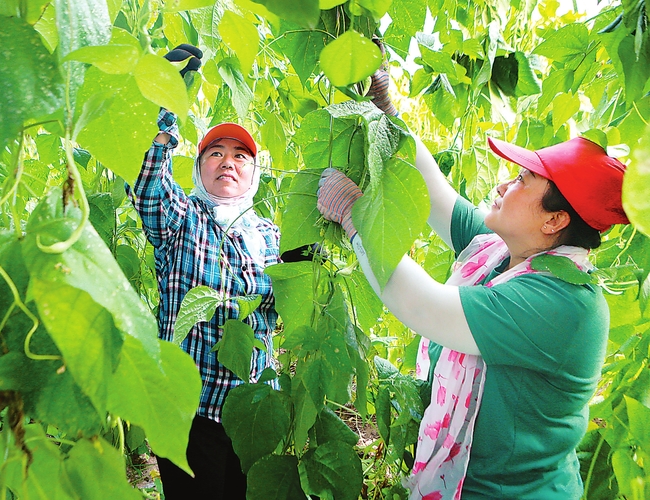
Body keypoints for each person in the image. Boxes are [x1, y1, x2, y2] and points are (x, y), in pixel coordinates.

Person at [316, 60, 629, 498]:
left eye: (522, 180)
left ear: (555, 220)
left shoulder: (565, 301)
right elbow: (434, 196)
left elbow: (423, 306)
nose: (504, 185)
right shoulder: (504, 252)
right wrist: (387, 114)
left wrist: (355, 218)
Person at [126, 45, 281, 499]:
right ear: (198, 168)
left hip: (251, 410)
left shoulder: (270, 235)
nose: (228, 161)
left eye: (240, 155)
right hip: (188, 411)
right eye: (214, 153)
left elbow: (283, 312)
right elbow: (148, 182)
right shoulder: (181, 218)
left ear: (254, 173)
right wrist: (165, 95)